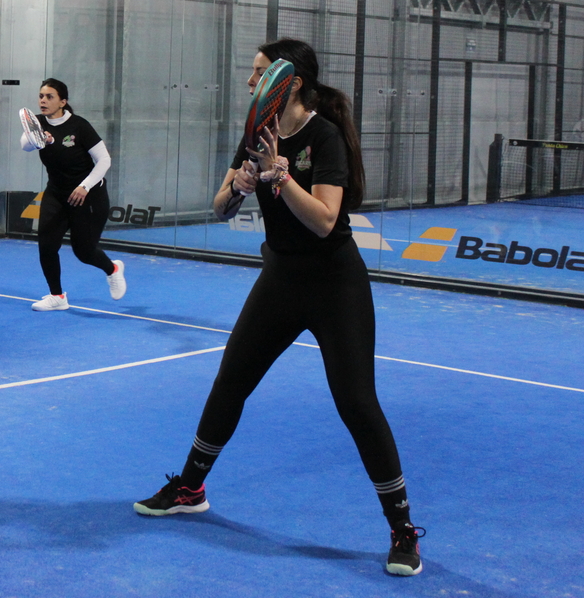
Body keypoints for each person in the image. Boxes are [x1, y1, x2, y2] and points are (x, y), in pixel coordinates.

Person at [131, 39, 425, 577]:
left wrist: (281, 175)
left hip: (335, 285)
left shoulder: (324, 136)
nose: (251, 82)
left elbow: (325, 221)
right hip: (280, 281)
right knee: (230, 383)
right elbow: (220, 208)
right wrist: (241, 186)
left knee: (357, 403)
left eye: (260, 72)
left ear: (290, 83)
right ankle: (190, 488)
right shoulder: (256, 133)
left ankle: (402, 528)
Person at [21, 78, 126, 310]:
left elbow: (104, 159)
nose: (43, 100)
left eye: (49, 97)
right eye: (41, 96)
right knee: (46, 245)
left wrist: (84, 186)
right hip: (56, 194)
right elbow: (25, 145)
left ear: (62, 102)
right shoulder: (37, 123)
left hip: (88, 196)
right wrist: (39, 140)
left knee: (84, 252)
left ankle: (113, 269)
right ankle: (57, 297)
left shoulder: (79, 126)